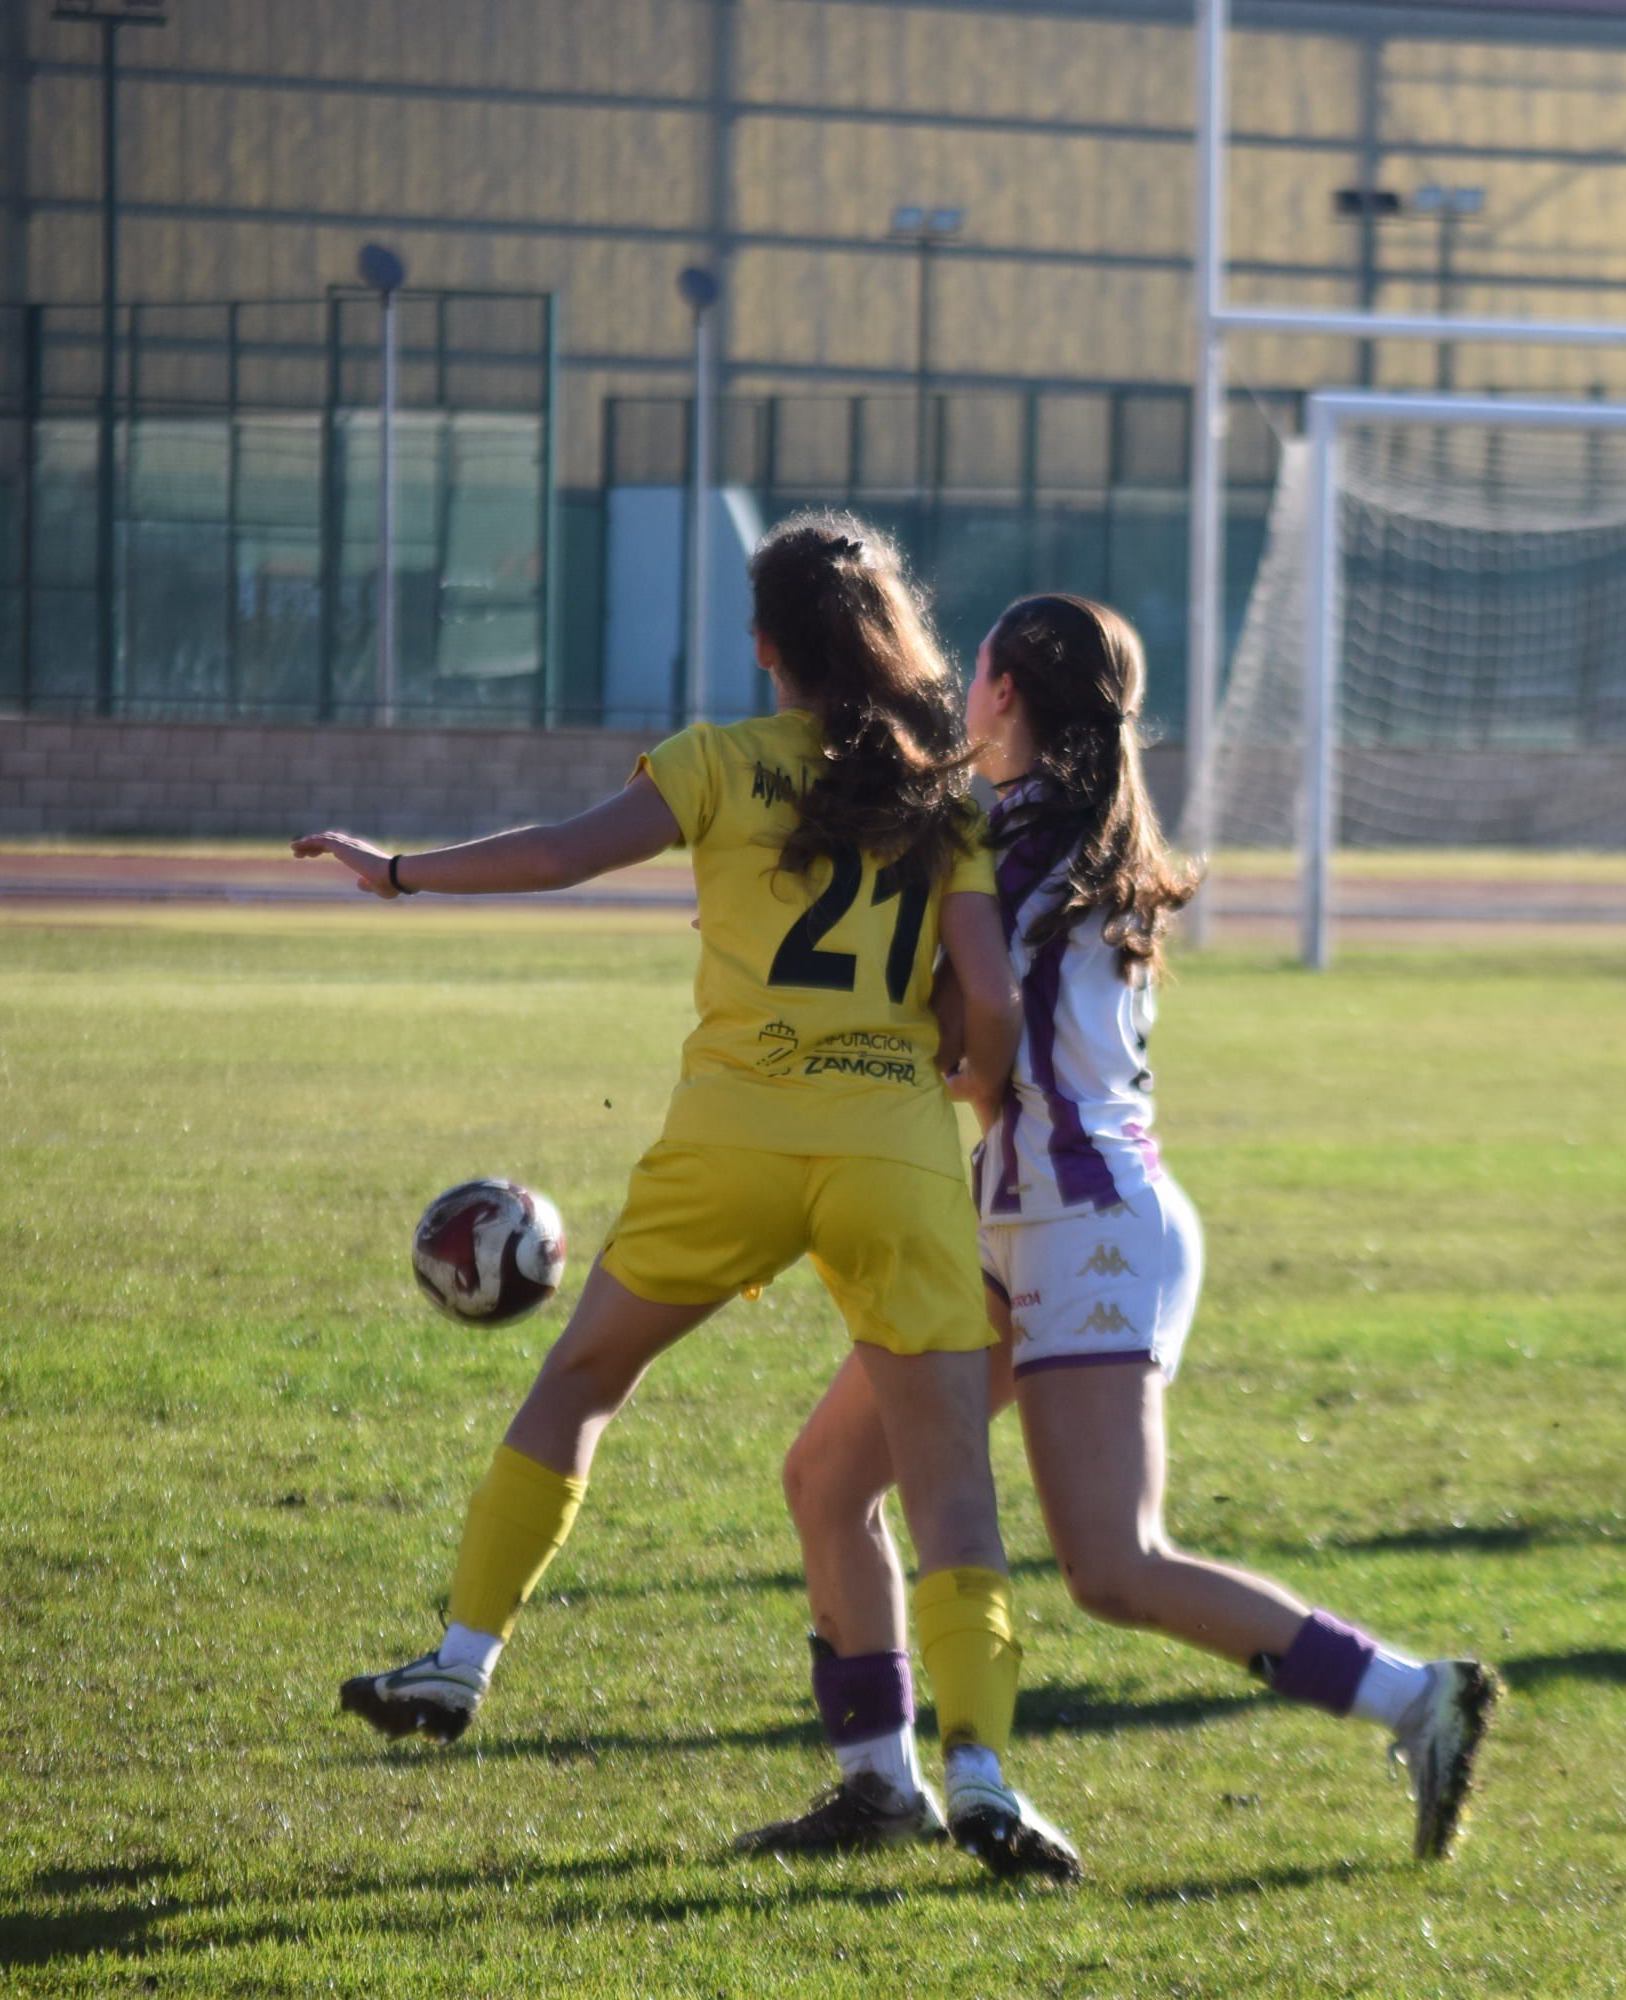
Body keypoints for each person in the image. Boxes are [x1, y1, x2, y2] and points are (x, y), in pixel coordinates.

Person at [296, 513, 1086, 1880]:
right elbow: (994, 1000)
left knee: (583, 1378)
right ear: (893, 636)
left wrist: (402, 869)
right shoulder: (939, 793)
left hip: (729, 1143)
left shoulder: (719, 761)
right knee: (953, 1493)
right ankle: (984, 1779)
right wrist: (964, 1081)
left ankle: (461, 1662)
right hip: (891, 1153)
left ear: (768, 647)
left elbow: (559, 850)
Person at [753, 593, 1501, 1864]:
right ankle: (878, 1784)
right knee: (828, 1480)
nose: (959, 693)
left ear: (1002, 697)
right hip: (1018, 1215)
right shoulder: (1072, 823)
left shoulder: (1012, 830)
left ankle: (1414, 1694)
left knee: (1112, 1563)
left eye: (973, 673)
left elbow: (958, 1028)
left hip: (1088, 1225)